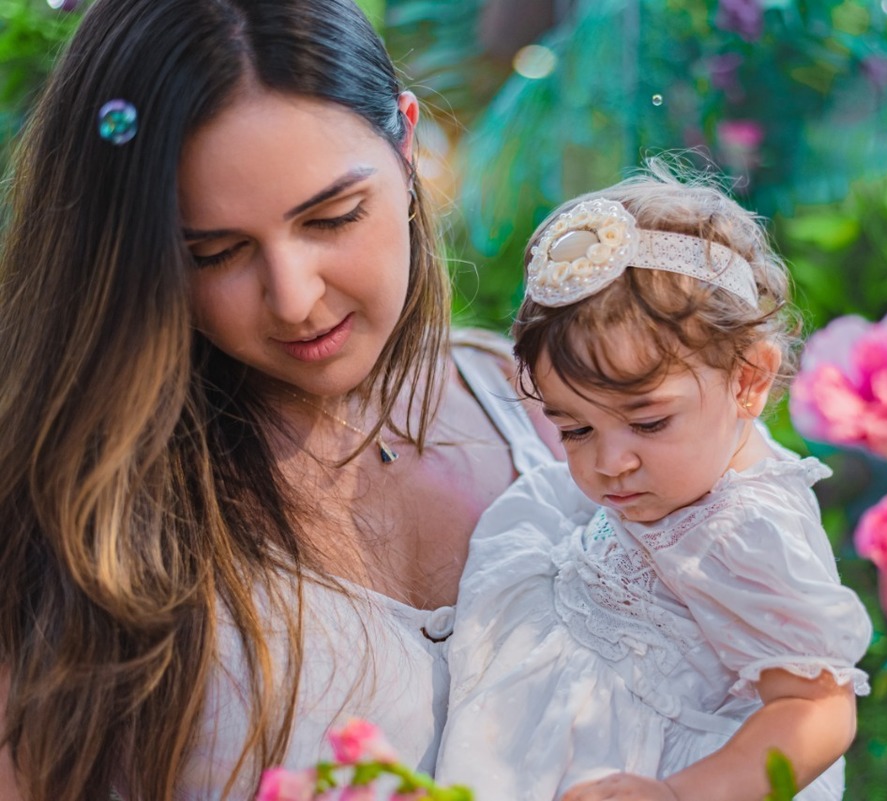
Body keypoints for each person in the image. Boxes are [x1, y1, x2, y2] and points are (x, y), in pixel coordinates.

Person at [0, 1, 561, 799]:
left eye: (333, 217)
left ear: (406, 146)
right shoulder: (79, 522)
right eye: (217, 252)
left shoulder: (544, 408)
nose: (294, 299)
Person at [436, 166, 873, 801]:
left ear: (749, 379)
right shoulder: (689, 467)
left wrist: (678, 793)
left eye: (648, 421)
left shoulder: (747, 529)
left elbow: (819, 709)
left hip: (645, 759)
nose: (610, 462)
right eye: (575, 429)